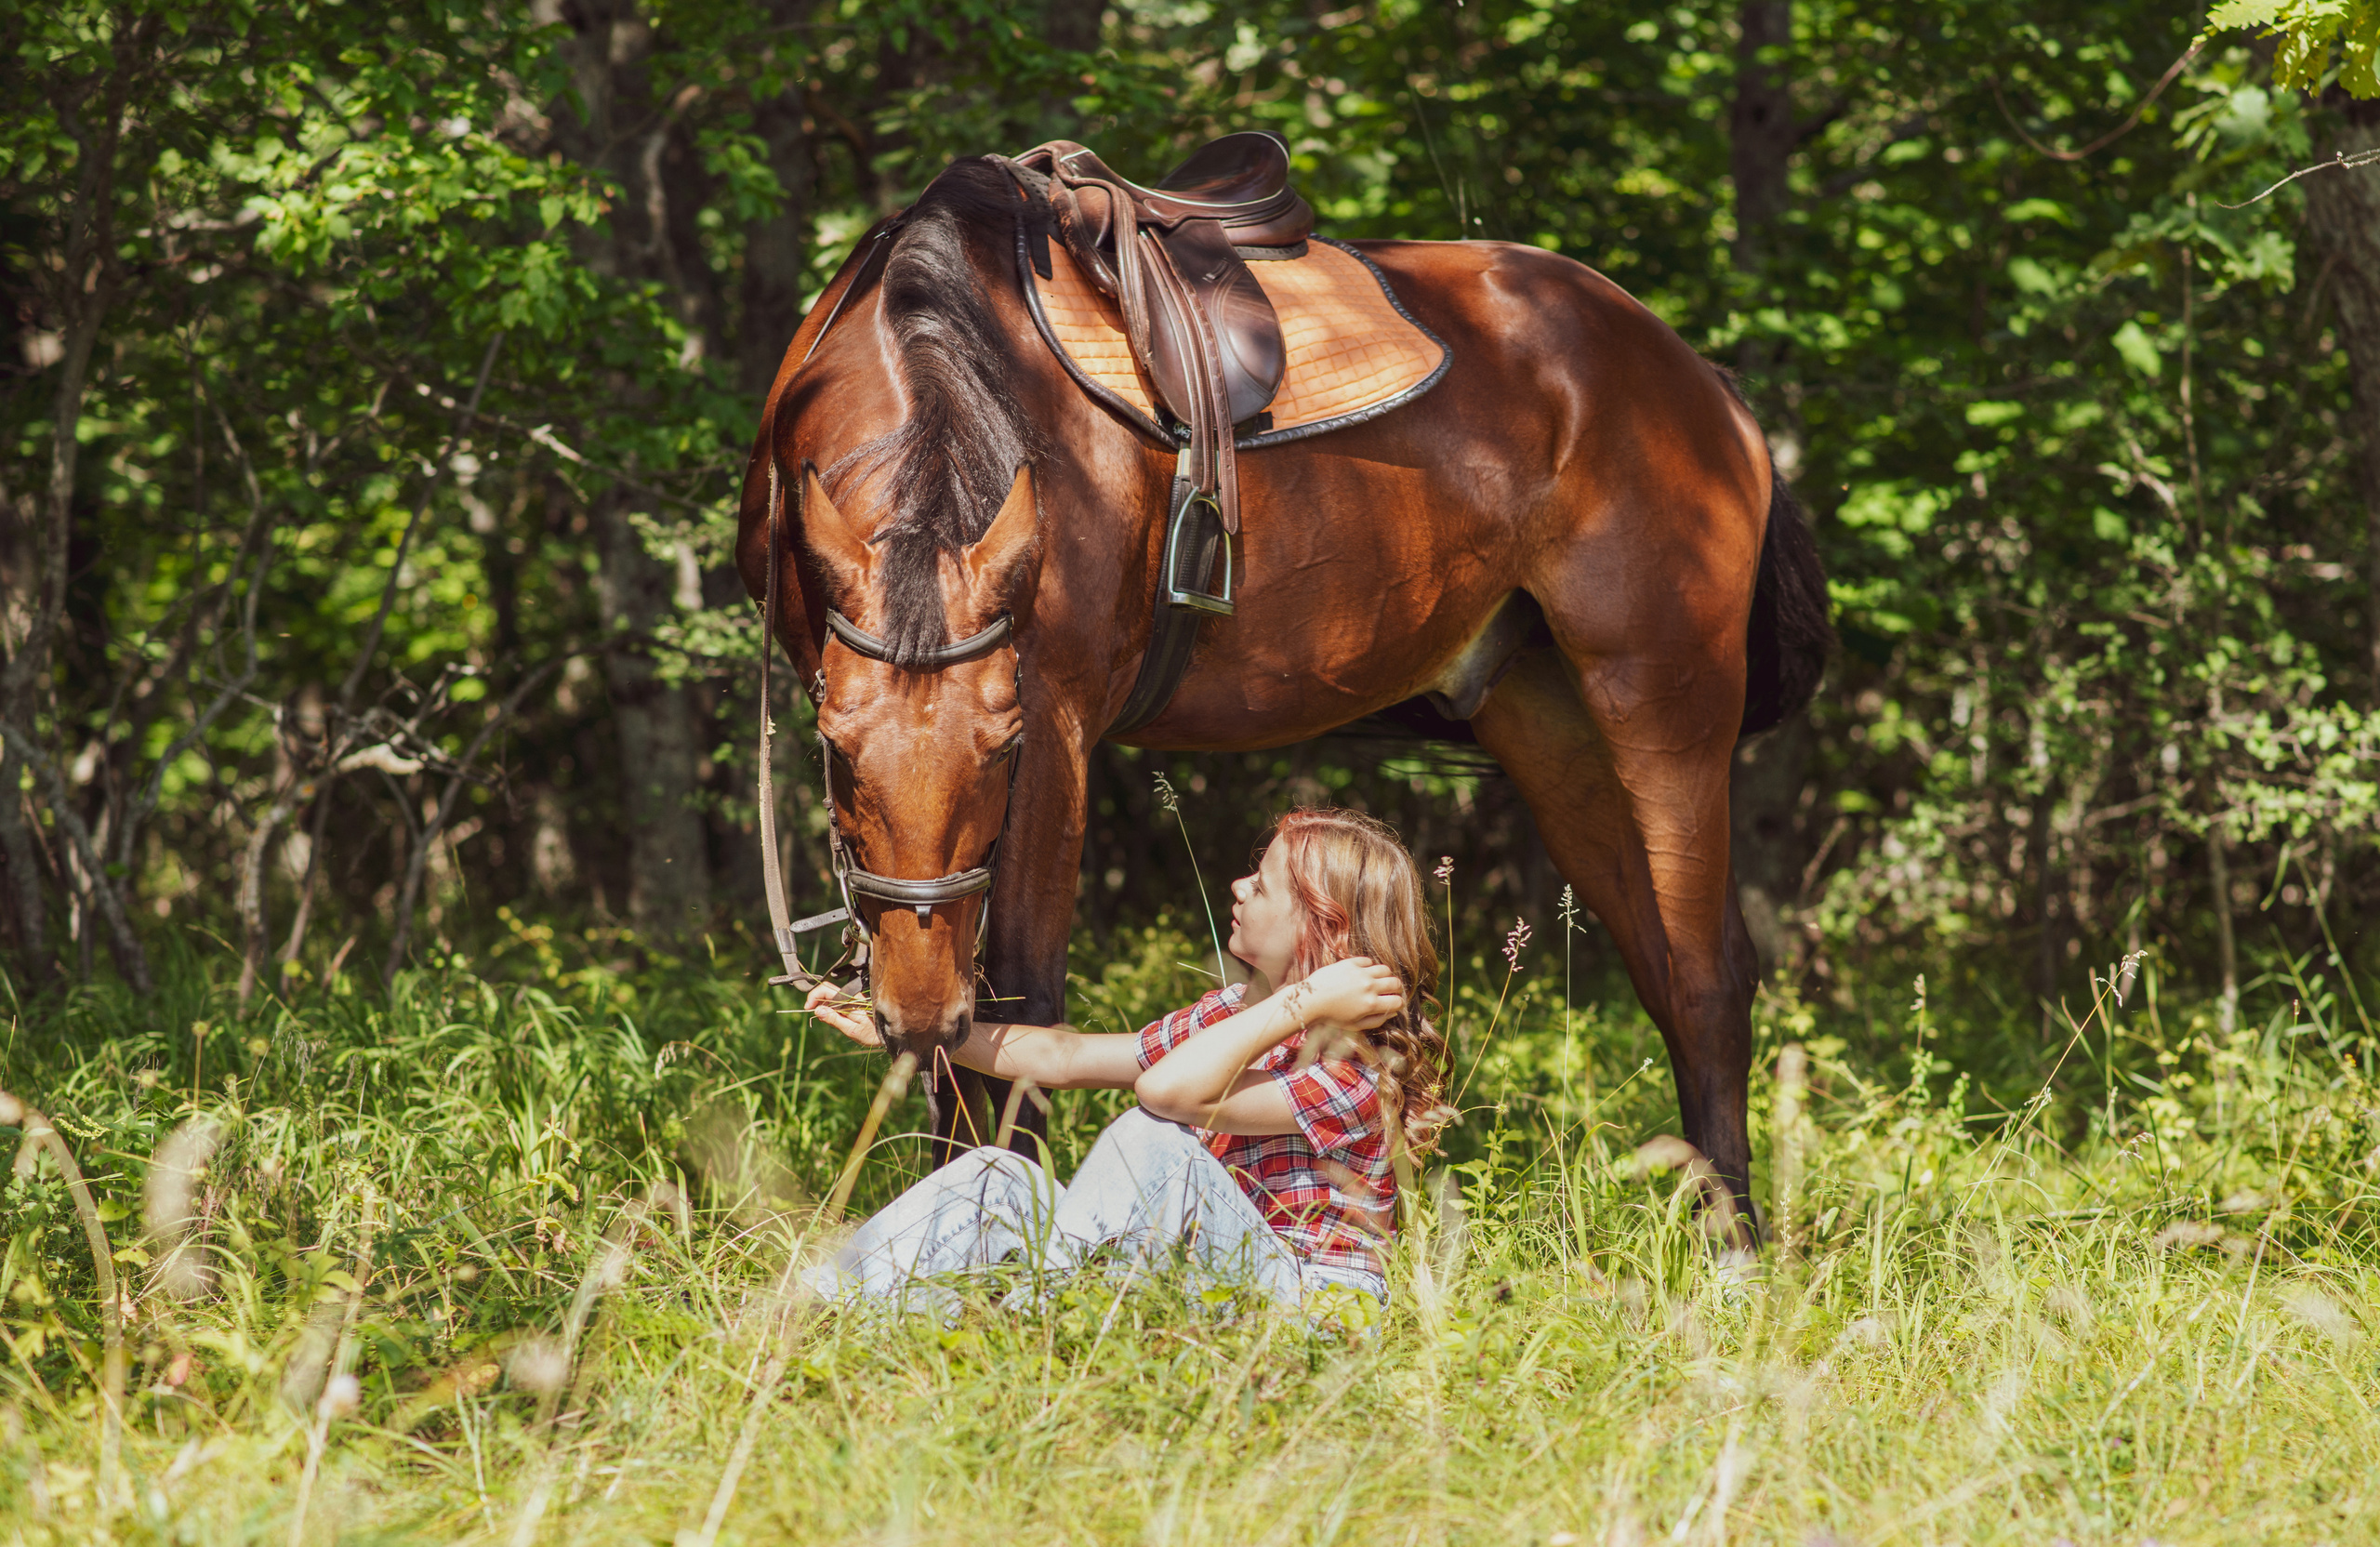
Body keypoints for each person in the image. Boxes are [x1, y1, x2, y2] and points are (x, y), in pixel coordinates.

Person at [800, 806, 1449, 1316]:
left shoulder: (1357, 1073)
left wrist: (1302, 1001)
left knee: (1154, 1142)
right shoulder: (1231, 1015)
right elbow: (1063, 1054)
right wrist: (918, 1034)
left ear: (1323, 926)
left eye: (1265, 883)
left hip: (1311, 1305)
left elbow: (1166, 1094)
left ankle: (1050, 1317)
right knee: (999, 1173)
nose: (1239, 886)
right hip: (1215, 1281)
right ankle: (815, 1309)